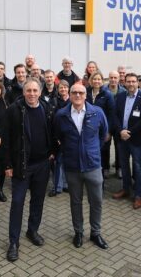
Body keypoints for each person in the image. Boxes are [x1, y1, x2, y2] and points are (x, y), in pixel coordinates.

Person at [3, 79, 56, 262]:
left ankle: (32, 231)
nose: (32, 94)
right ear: (23, 92)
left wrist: (52, 153)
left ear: (40, 92)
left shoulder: (47, 108)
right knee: (17, 203)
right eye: (29, 91)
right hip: (21, 165)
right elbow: (6, 139)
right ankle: (13, 242)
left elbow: (53, 132)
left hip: (42, 165)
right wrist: (8, 165)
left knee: (38, 201)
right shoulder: (14, 110)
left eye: (35, 90)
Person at [54, 83, 109, 250]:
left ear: (86, 95)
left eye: (81, 93)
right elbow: (57, 137)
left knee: (96, 201)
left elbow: (103, 135)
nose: (77, 95)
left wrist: (91, 150)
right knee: (75, 201)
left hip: (93, 165)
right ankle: (78, 232)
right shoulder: (61, 115)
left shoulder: (97, 112)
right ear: (69, 95)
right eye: (74, 92)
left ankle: (95, 233)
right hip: (72, 167)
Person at [112, 73, 141, 209]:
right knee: (124, 165)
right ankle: (126, 189)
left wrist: (130, 132)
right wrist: (120, 131)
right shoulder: (120, 96)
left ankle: (138, 195)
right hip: (121, 138)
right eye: (128, 82)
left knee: (138, 167)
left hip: (136, 139)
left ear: (137, 83)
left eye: (133, 81)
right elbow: (115, 115)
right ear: (125, 83)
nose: (131, 84)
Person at [86, 72, 115, 179]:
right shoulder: (87, 92)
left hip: (103, 128)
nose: (96, 81)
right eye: (94, 79)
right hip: (89, 128)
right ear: (91, 80)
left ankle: (105, 168)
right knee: (91, 149)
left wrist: (109, 131)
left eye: (99, 79)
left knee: (104, 149)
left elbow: (112, 114)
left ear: (102, 81)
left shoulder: (107, 94)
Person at [48, 80, 70, 197]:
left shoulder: (73, 101)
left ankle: (66, 185)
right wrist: (57, 137)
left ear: (68, 89)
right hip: (57, 137)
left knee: (67, 162)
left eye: (65, 87)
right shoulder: (54, 102)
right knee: (57, 162)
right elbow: (52, 121)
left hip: (70, 137)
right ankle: (57, 187)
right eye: (61, 88)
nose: (63, 90)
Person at [107, 71, 126, 179]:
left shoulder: (123, 91)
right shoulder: (104, 90)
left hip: (119, 124)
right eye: (111, 77)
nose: (113, 79)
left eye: (115, 77)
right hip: (108, 123)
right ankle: (105, 168)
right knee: (105, 146)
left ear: (119, 78)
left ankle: (119, 168)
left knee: (119, 148)